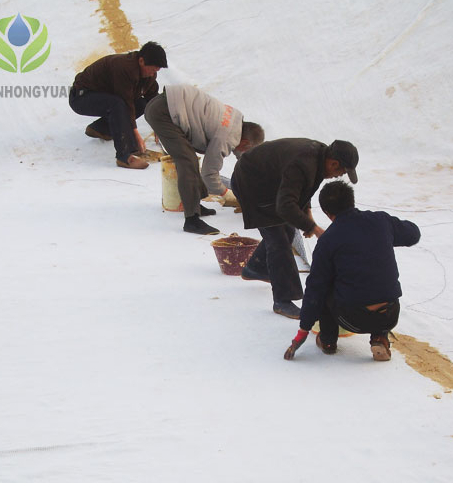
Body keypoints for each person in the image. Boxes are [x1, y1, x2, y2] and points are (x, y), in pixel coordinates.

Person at [283, 181, 421, 361]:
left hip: (351, 318)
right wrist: (384, 234)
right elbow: (413, 234)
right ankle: (380, 337)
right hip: (390, 314)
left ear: (327, 213)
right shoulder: (381, 221)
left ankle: (328, 341)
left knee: (325, 284)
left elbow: (315, 290)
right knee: (376, 279)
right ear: (352, 201)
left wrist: (303, 330)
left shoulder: (328, 241)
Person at [231, 138, 359, 319]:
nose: (339, 176)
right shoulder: (302, 163)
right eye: (341, 172)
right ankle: (282, 301)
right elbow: (285, 206)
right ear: (334, 163)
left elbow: (302, 189)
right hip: (251, 183)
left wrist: (308, 215)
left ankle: (256, 268)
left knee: (289, 230)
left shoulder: (319, 159)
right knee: (278, 238)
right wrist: (314, 228)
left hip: (270, 183)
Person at [144, 84, 264, 235]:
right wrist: (227, 194)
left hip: (166, 103)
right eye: (247, 151)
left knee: (190, 158)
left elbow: (239, 158)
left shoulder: (235, 119)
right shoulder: (227, 136)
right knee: (187, 160)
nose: (243, 155)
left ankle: (195, 205)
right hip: (163, 113)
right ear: (245, 142)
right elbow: (209, 174)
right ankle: (191, 220)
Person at [69, 41, 168, 170]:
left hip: (106, 97)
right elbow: (125, 102)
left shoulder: (149, 75)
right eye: (153, 69)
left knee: (142, 104)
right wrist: (135, 136)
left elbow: (152, 99)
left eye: (157, 71)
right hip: (81, 97)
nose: (153, 74)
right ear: (142, 61)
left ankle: (100, 129)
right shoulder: (124, 67)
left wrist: (158, 125)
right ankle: (125, 156)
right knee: (117, 104)